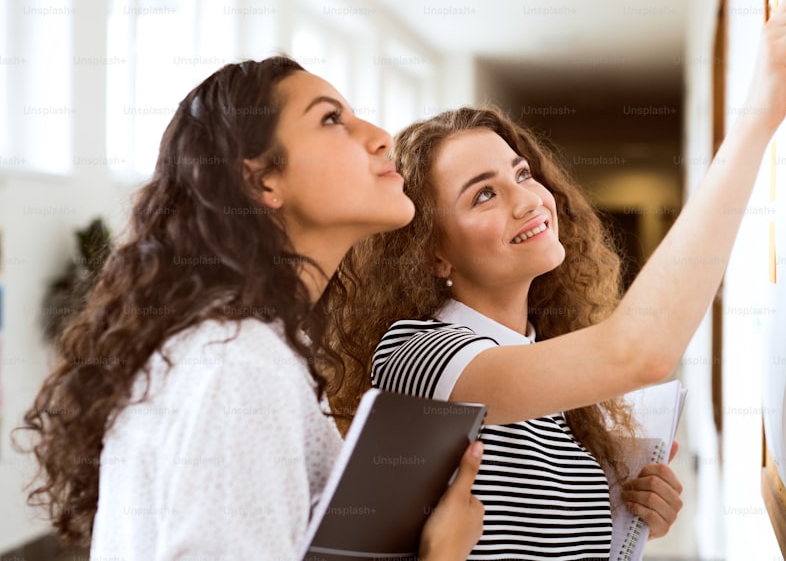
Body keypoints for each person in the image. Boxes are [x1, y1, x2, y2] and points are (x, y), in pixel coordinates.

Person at [332, 0, 786, 558]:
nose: (526, 199)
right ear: (432, 253)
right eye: (483, 193)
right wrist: (757, 116)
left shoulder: (543, 364)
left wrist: (628, 516)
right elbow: (639, 353)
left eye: (520, 173)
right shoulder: (418, 358)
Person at [17, 57, 484, 560]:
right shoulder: (240, 361)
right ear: (261, 182)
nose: (379, 136)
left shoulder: (242, 346)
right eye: (331, 120)